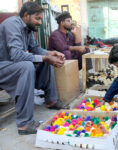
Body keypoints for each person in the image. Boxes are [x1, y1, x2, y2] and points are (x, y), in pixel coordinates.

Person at [0, 2, 68, 135]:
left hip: (11, 64)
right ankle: (24, 124)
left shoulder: (27, 28)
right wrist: (45, 57)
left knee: (43, 58)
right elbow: (17, 55)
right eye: (38, 18)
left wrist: (50, 53)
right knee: (27, 66)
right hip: (3, 65)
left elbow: (35, 48)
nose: (40, 22)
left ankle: (51, 100)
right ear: (26, 15)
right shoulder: (12, 25)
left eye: (41, 19)